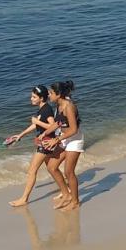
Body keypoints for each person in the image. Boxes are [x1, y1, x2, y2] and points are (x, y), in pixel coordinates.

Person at [6, 85, 69, 208]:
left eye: (34, 97)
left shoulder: (46, 110)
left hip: (46, 143)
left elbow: (53, 125)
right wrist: (20, 135)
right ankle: (66, 189)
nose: (31, 99)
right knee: (52, 169)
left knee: (31, 171)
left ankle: (24, 199)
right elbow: (36, 126)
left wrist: (37, 122)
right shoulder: (42, 109)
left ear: (41, 98)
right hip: (44, 142)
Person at [45, 80, 83, 210]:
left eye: (50, 93)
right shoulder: (59, 105)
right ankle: (66, 195)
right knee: (51, 167)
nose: (49, 95)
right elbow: (57, 123)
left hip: (75, 140)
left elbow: (73, 130)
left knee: (69, 172)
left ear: (58, 94)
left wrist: (57, 139)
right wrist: (44, 133)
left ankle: (75, 201)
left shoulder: (69, 107)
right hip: (65, 140)